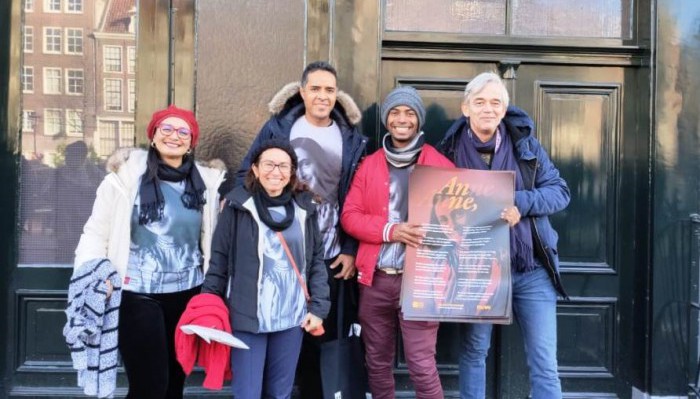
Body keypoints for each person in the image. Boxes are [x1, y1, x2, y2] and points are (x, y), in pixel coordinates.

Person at [232, 61, 367, 397]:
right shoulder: (279, 129)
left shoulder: (350, 137)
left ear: (337, 96)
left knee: (324, 340)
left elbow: (358, 196)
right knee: (284, 341)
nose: (323, 96)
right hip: (282, 254)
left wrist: (350, 248)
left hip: (331, 256)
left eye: (330, 90)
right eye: (316, 88)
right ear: (302, 91)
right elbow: (244, 178)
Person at [73, 105, 226, 398]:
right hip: (135, 293)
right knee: (149, 387)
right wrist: (93, 276)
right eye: (166, 129)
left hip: (188, 294)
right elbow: (95, 232)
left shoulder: (205, 183)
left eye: (183, 131)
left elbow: (211, 239)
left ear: (192, 141)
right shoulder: (123, 179)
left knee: (174, 385)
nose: (174, 136)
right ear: (153, 136)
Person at [436, 72, 571, 399]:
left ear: (504, 109)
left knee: (544, 360)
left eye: (495, 102)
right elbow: (435, 208)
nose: (488, 108)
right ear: (465, 108)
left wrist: (520, 202)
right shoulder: (448, 151)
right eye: (479, 102)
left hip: (531, 270)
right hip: (478, 271)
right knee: (474, 351)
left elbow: (560, 192)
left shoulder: (527, 146)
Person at [341, 86, 453, 399]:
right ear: (386, 119)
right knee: (376, 362)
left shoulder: (440, 165)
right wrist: (391, 230)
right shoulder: (370, 164)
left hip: (421, 282)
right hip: (375, 280)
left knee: (421, 364)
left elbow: (458, 224)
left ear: (418, 120)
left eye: (409, 113)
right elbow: (350, 216)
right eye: (394, 112)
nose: (401, 119)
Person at [201, 140, 330, 398]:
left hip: (292, 319)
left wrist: (318, 308)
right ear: (256, 170)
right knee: (247, 393)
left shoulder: (304, 209)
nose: (276, 171)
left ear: (291, 172)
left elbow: (315, 261)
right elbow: (219, 260)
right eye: (269, 164)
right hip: (248, 318)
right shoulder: (237, 207)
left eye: (283, 165)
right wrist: (208, 306)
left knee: (279, 393)